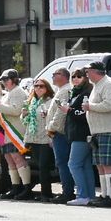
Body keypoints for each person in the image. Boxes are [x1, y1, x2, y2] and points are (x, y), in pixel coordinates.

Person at [84, 61, 111, 208]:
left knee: (108, 164)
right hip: (98, 131)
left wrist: (90, 107)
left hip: (109, 130)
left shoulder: (109, 84)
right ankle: (104, 195)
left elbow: (110, 105)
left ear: (95, 71)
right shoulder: (97, 85)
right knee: (100, 165)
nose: (86, 74)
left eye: (88, 71)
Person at [0, 69, 32, 196]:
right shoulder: (8, 94)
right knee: (9, 159)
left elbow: (16, 111)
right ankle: (15, 187)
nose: (4, 82)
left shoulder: (18, 92)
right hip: (6, 132)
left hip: (15, 130)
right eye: (3, 80)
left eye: (6, 80)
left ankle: (26, 187)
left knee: (17, 158)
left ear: (14, 80)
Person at [20, 78, 57, 201]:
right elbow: (25, 121)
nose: (38, 88)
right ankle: (43, 193)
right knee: (39, 166)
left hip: (46, 138)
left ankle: (46, 194)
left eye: (41, 86)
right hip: (33, 138)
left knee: (44, 166)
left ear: (47, 88)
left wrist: (47, 115)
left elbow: (53, 117)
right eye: (36, 86)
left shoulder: (50, 101)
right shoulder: (31, 101)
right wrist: (24, 114)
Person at [64, 72, 98, 205]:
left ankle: (82, 194)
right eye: (73, 77)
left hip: (82, 134)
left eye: (79, 76)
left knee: (73, 164)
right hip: (76, 134)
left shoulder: (86, 93)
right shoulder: (75, 93)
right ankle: (89, 196)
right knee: (85, 165)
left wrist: (68, 111)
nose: (75, 79)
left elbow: (83, 115)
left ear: (85, 78)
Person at [47, 68, 76, 203]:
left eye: (56, 74)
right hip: (58, 132)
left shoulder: (65, 91)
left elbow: (61, 113)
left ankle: (68, 192)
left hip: (61, 133)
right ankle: (67, 190)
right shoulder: (60, 90)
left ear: (64, 76)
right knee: (62, 163)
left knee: (63, 162)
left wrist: (52, 128)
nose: (52, 76)